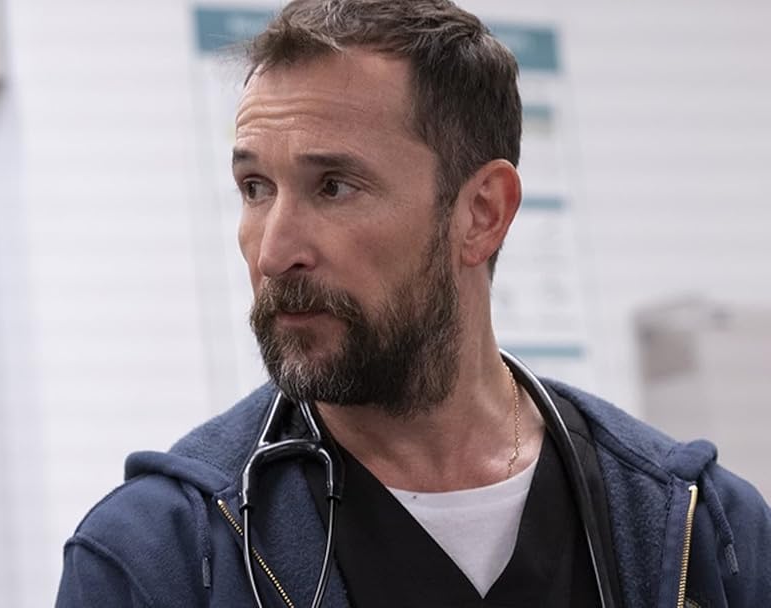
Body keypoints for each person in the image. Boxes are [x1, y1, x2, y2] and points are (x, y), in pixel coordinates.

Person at [56, 1, 771, 606]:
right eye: (255, 188)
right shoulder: (162, 558)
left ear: (482, 213)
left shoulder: (704, 534)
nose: (273, 252)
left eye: (334, 186)